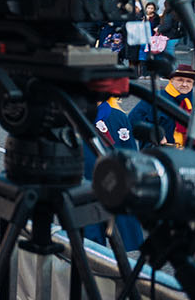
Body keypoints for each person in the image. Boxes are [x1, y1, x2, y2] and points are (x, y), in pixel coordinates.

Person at [82, 97, 144, 250]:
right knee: (90, 244)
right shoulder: (74, 118)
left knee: (127, 240)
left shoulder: (118, 117)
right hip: (86, 189)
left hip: (116, 187)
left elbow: (130, 153)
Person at [128, 64, 195, 147]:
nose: (184, 84)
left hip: (188, 152)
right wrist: (155, 134)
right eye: (180, 80)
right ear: (171, 80)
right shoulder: (155, 97)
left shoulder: (193, 101)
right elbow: (133, 120)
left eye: (189, 81)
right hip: (157, 150)